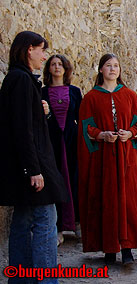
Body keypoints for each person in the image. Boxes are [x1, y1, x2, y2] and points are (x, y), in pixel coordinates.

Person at [0, 31, 67, 284]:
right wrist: (33, 170)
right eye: (41, 50)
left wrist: (43, 111)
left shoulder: (22, 80)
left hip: (28, 166)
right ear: (29, 50)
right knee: (46, 223)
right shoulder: (20, 80)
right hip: (32, 167)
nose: (44, 56)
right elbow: (21, 130)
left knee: (24, 220)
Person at [78, 53, 137, 265]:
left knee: (128, 200)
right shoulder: (91, 97)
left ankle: (127, 248)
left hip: (127, 159)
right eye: (108, 65)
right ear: (101, 69)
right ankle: (109, 248)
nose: (112, 69)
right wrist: (101, 135)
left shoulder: (130, 95)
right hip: (104, 160)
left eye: (116, 65)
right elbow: (85, 127)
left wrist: (130, 134)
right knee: (106, 200)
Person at [42, 54, 82, 246]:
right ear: (49, 69)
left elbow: (82, 118)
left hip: (71, 140)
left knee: (74, 179)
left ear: (66, 69)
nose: (57, 67)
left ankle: (76, 223)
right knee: (55, 181)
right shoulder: (42, 92)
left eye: (60, 64)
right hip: (51, 141)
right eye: (53, 64)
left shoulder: (75, 92)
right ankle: (57, 227)